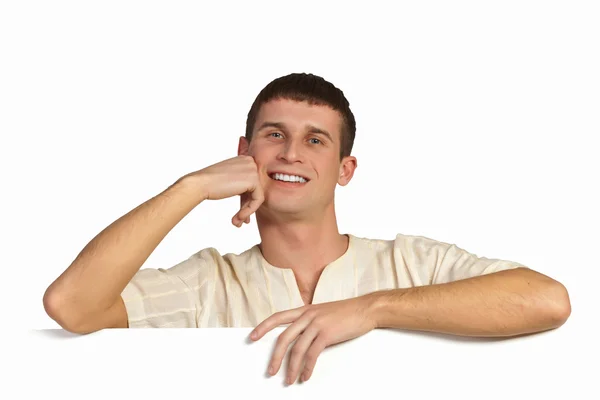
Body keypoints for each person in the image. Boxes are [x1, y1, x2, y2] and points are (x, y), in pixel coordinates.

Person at [43, 72, 571, 384]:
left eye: (316, 140)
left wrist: (372, 309)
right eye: (275, 135)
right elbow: (72, 306)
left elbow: (546, 300)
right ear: (244, 155)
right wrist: (192, 187)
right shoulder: (205, 283)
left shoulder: (412, 263)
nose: (292, 152)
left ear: (345, 170)